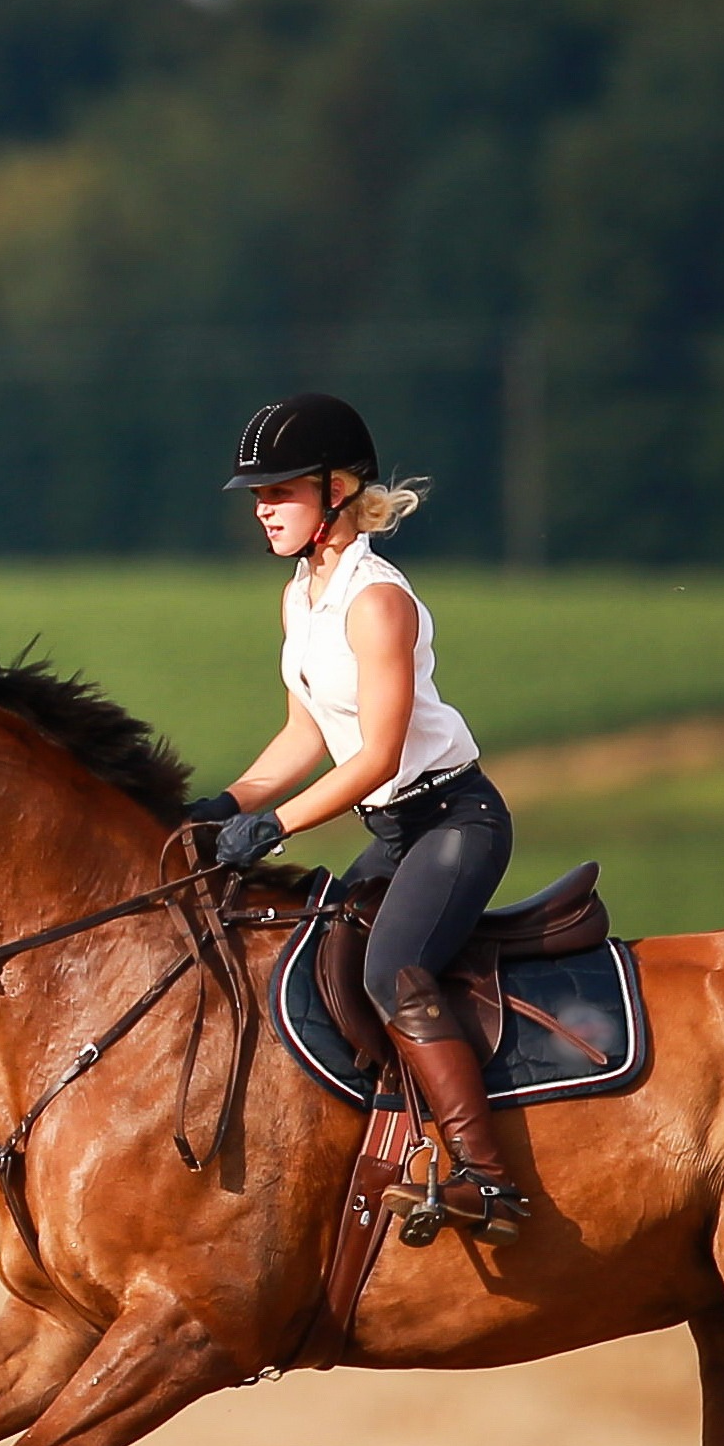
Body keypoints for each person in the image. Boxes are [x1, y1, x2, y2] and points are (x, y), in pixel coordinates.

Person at [187, 393, 531, 1240]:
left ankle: (487, 1179)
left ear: (338, 490)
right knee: (311, 956)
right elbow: (306, 729)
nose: (263, 508)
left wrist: (277, 827)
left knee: (391, 971)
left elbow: (375, 756)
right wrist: (225, 803)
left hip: (453, 823)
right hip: (394, 832)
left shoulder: (377, 600)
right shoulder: (302, 595)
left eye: (280, 491)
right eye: (258, 494)